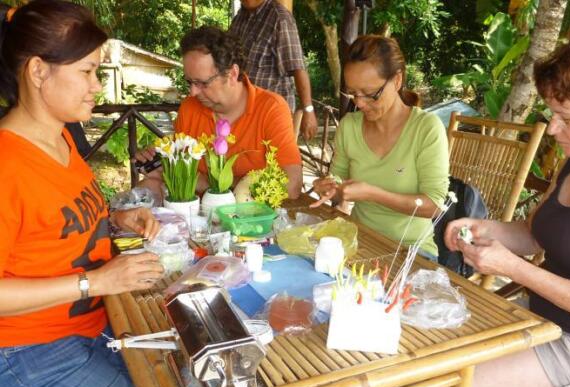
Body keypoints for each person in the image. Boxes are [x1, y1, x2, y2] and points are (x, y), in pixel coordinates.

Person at [435, 30, 570, 387]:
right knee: (434, 358)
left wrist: (513, 268)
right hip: (545, 321)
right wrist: (482, 228)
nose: (553, 128)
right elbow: (533, 233)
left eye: (565, 117)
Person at [0, 2, 164, 387]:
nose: (96, 86)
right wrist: (97, 281)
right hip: (29, 350)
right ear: (39, 71)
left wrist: (115, 220)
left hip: (94, 326)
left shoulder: (60, 138)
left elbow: (52, 226)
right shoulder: (7, 164)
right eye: (87, 72)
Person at [311, 35, 449, 260]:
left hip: (412, 251)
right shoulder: (350, 127)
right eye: (353, 94)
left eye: (371, 94)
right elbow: (338, 188)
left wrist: (374, 194)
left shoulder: (425, 128)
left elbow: (433, 205)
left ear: (397, 80)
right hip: (361, 240)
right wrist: (330, 189)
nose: (360, 103)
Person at [136, 26, 303, 202]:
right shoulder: (189, 108)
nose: (193, 92)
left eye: (202, 83)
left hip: (253, 222)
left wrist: (209, 184)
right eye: (189, 82)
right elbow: (183, 178)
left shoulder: (271, 108)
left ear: (232, 74)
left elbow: (291, 186)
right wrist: (165, 170)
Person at [230, 0, 318, 140]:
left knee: (272, 160)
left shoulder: (280, 18)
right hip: (242, 112)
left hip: (271, 115)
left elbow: (297, 67)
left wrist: (308, 110)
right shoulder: (240, 17)